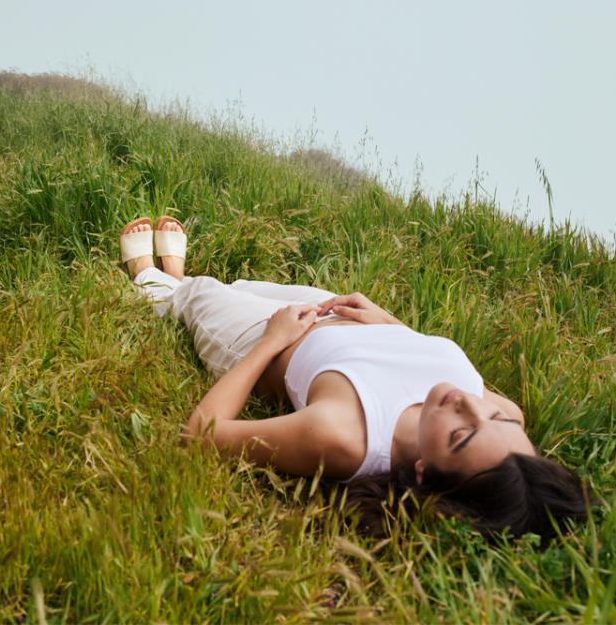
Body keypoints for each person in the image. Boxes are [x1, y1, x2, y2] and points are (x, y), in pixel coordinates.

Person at [121, 216, 591, 541]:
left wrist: (271, 339)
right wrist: (392, 324)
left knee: (198, 295)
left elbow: (201, 436)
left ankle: (157, 278)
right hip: (328, 311)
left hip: (265, 341)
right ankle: (179, 279)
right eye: (495, 418)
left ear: (424, 472)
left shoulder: (345, 438)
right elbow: (490, 404)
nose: (470, 403)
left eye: (463, 434)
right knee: (238, 287)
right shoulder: (505, 420)